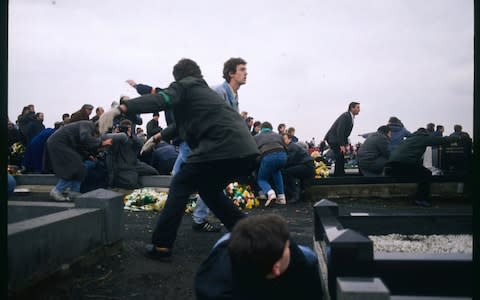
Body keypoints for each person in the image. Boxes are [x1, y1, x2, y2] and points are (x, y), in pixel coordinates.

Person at [118, 58, 259, 260]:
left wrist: (123, 108)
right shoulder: (206, 93)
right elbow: (179, 125)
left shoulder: (186, 85)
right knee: (210, 191)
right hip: (244, 151)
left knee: (180, 184)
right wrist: (157, 137)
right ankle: (249, 236)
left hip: (218, 147)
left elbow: (161, 99)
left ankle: (162, 246)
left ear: (179, 77)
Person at [195, 214, 324, 300]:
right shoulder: (216, 291)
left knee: (308, 255)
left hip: (228, 249)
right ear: (276, 269)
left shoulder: (225, 253)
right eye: (287, 246)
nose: (290, 244)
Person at [384, 128, 459, 206]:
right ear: (424, 133)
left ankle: (419, 198)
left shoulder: (408, 139)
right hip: (404, 164)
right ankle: (421, 199)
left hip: (392, 166)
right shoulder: (422, 138)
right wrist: (458, 138)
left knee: (419, 172)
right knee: (426, 173)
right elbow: (441, 140)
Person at [46, 120, 112, 201]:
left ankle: (74, 193)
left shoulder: (86, 127)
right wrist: (101, 143)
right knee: (74, 167)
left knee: (80, 168)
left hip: (63, 143)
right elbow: (85, 138)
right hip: (59, 143)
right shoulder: (88, 125)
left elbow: (80, 145)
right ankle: (57, 190)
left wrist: (88, 155)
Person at [254, 121, 287, 206]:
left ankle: (270, 192)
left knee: (261, 179)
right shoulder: (278, 135)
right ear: (271, 128)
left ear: (261, 129)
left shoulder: (256, 137)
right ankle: (281, 197)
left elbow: (254, 152)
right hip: (283, 155)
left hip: (268, 155)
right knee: (276, 172)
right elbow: (286, 147)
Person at [324, 102, 360, 176]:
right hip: (334, 139)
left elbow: (345, 134)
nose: (359, 110)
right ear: (352, 108)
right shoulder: (346, 116)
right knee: (340, 156)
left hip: (335, 138)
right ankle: (339, 175)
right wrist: (341, 144)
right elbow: (340, 130)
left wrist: (345, 144)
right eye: (357, 107)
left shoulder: (350, 117)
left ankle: (339, 174)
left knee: (340, 157)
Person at [281, 133, 315, 203]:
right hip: (308, 166)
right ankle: (299, 195)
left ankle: (295, 195)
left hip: (306, 166)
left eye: (284, 139)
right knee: (291, 171)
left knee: (287, 172)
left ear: (290, 139)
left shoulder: (291, 147)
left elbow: (290, 160)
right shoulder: (293, 146)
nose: (283, 141)